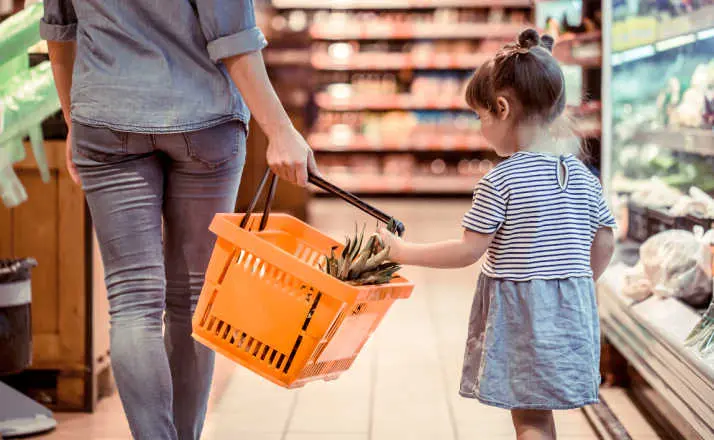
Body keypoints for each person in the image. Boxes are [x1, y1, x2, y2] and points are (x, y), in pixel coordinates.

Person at [40, 1, 317, 439]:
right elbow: (233, 36)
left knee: (132, 303)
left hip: (105, 116)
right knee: (193, 299)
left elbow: (59, 30)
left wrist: (75, 121)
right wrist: (280, 129)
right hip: (202, 116)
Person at [380, 29, 616, 440]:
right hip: (572, 309)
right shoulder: (582, 176)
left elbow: (468, 250)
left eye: (480, 116)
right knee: (543, 413)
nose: (480, 127)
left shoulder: (503, 179)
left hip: (523, 313)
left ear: (502, 108)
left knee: (528, 417)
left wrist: (404, 252)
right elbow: (606, 240)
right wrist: (576, 281)